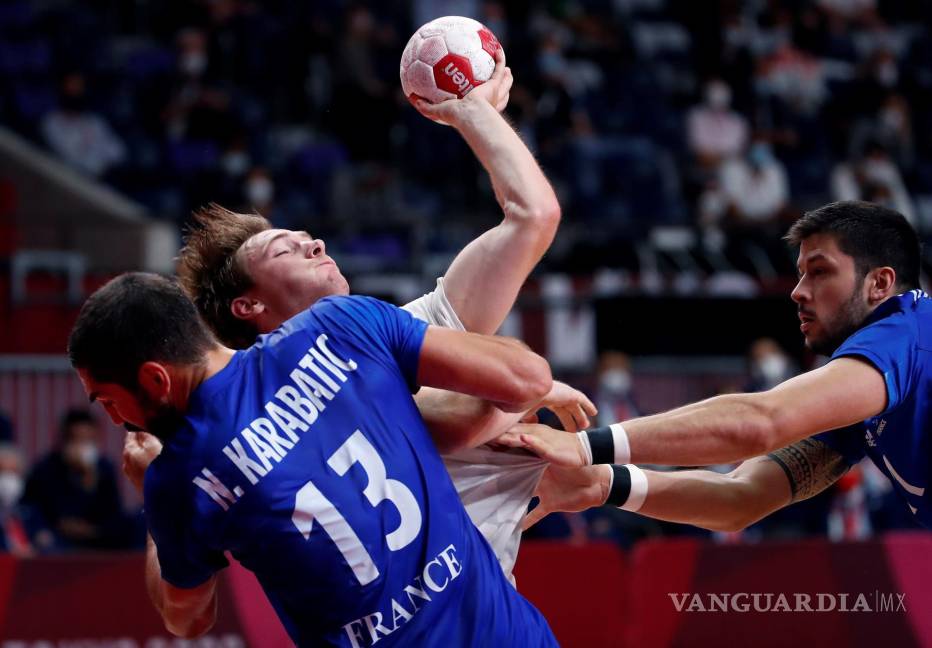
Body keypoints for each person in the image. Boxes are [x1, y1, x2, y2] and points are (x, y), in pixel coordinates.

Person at [175, 51, 596, 581]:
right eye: (287, 250)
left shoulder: (406, 330)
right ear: (249, 306)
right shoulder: (269, 419)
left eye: (308, 238)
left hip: (488, 612)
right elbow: (442, 419)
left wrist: (473, 110)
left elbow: (534, 216)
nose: (315, 244)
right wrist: (525, 390)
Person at [69, 272, 559, 646]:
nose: (115, 420)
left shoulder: (179, 477)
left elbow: (188, 618)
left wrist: (153, 504)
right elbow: (526, 380)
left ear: (156, 379)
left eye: (108, 400)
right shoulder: (339, 323)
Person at [504, 201, 932, 534]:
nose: (798, 292)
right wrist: (605, 484)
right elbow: (740, 499)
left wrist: (585, 446)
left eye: (820, 272)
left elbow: (762, 421)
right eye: (800, 274)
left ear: (880, 284)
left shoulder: (906, 329)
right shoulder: (863, 398)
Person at [22, 409, 130, 549]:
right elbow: (36, 509)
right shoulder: (45, 468)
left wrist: (90, 479)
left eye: (88, 440)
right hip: (57, 539)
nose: (82, 446)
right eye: (76, 439)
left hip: (96, 538)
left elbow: (113, 511)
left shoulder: (105, 468)